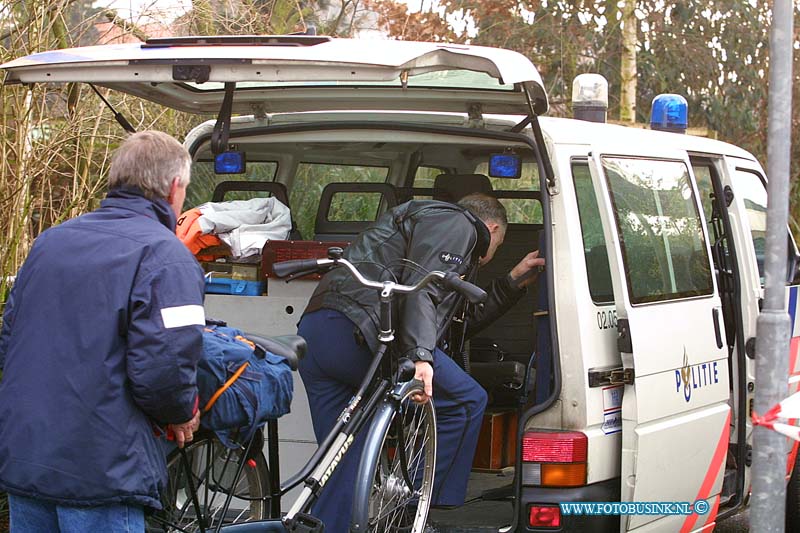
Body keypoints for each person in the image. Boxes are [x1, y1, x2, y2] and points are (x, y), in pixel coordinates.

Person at [298, 193, 544, 532]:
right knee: (465, 400)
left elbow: (457, 319)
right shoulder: (459, 224)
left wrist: (511, 281)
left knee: (343, 458)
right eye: (498, 245)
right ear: (492, 228)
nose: (489, 256)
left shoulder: (416, 220)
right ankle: (414, 505)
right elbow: (420, 290)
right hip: (367, 335)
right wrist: (421, 357)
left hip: (317, 334)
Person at [0, 131, 206, 533]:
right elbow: (165, 367)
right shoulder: (166, 255)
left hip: (28, 460)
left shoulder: (49, 243)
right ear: (174, 187)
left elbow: (10, 341)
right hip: (102, 471)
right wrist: (182, 412)